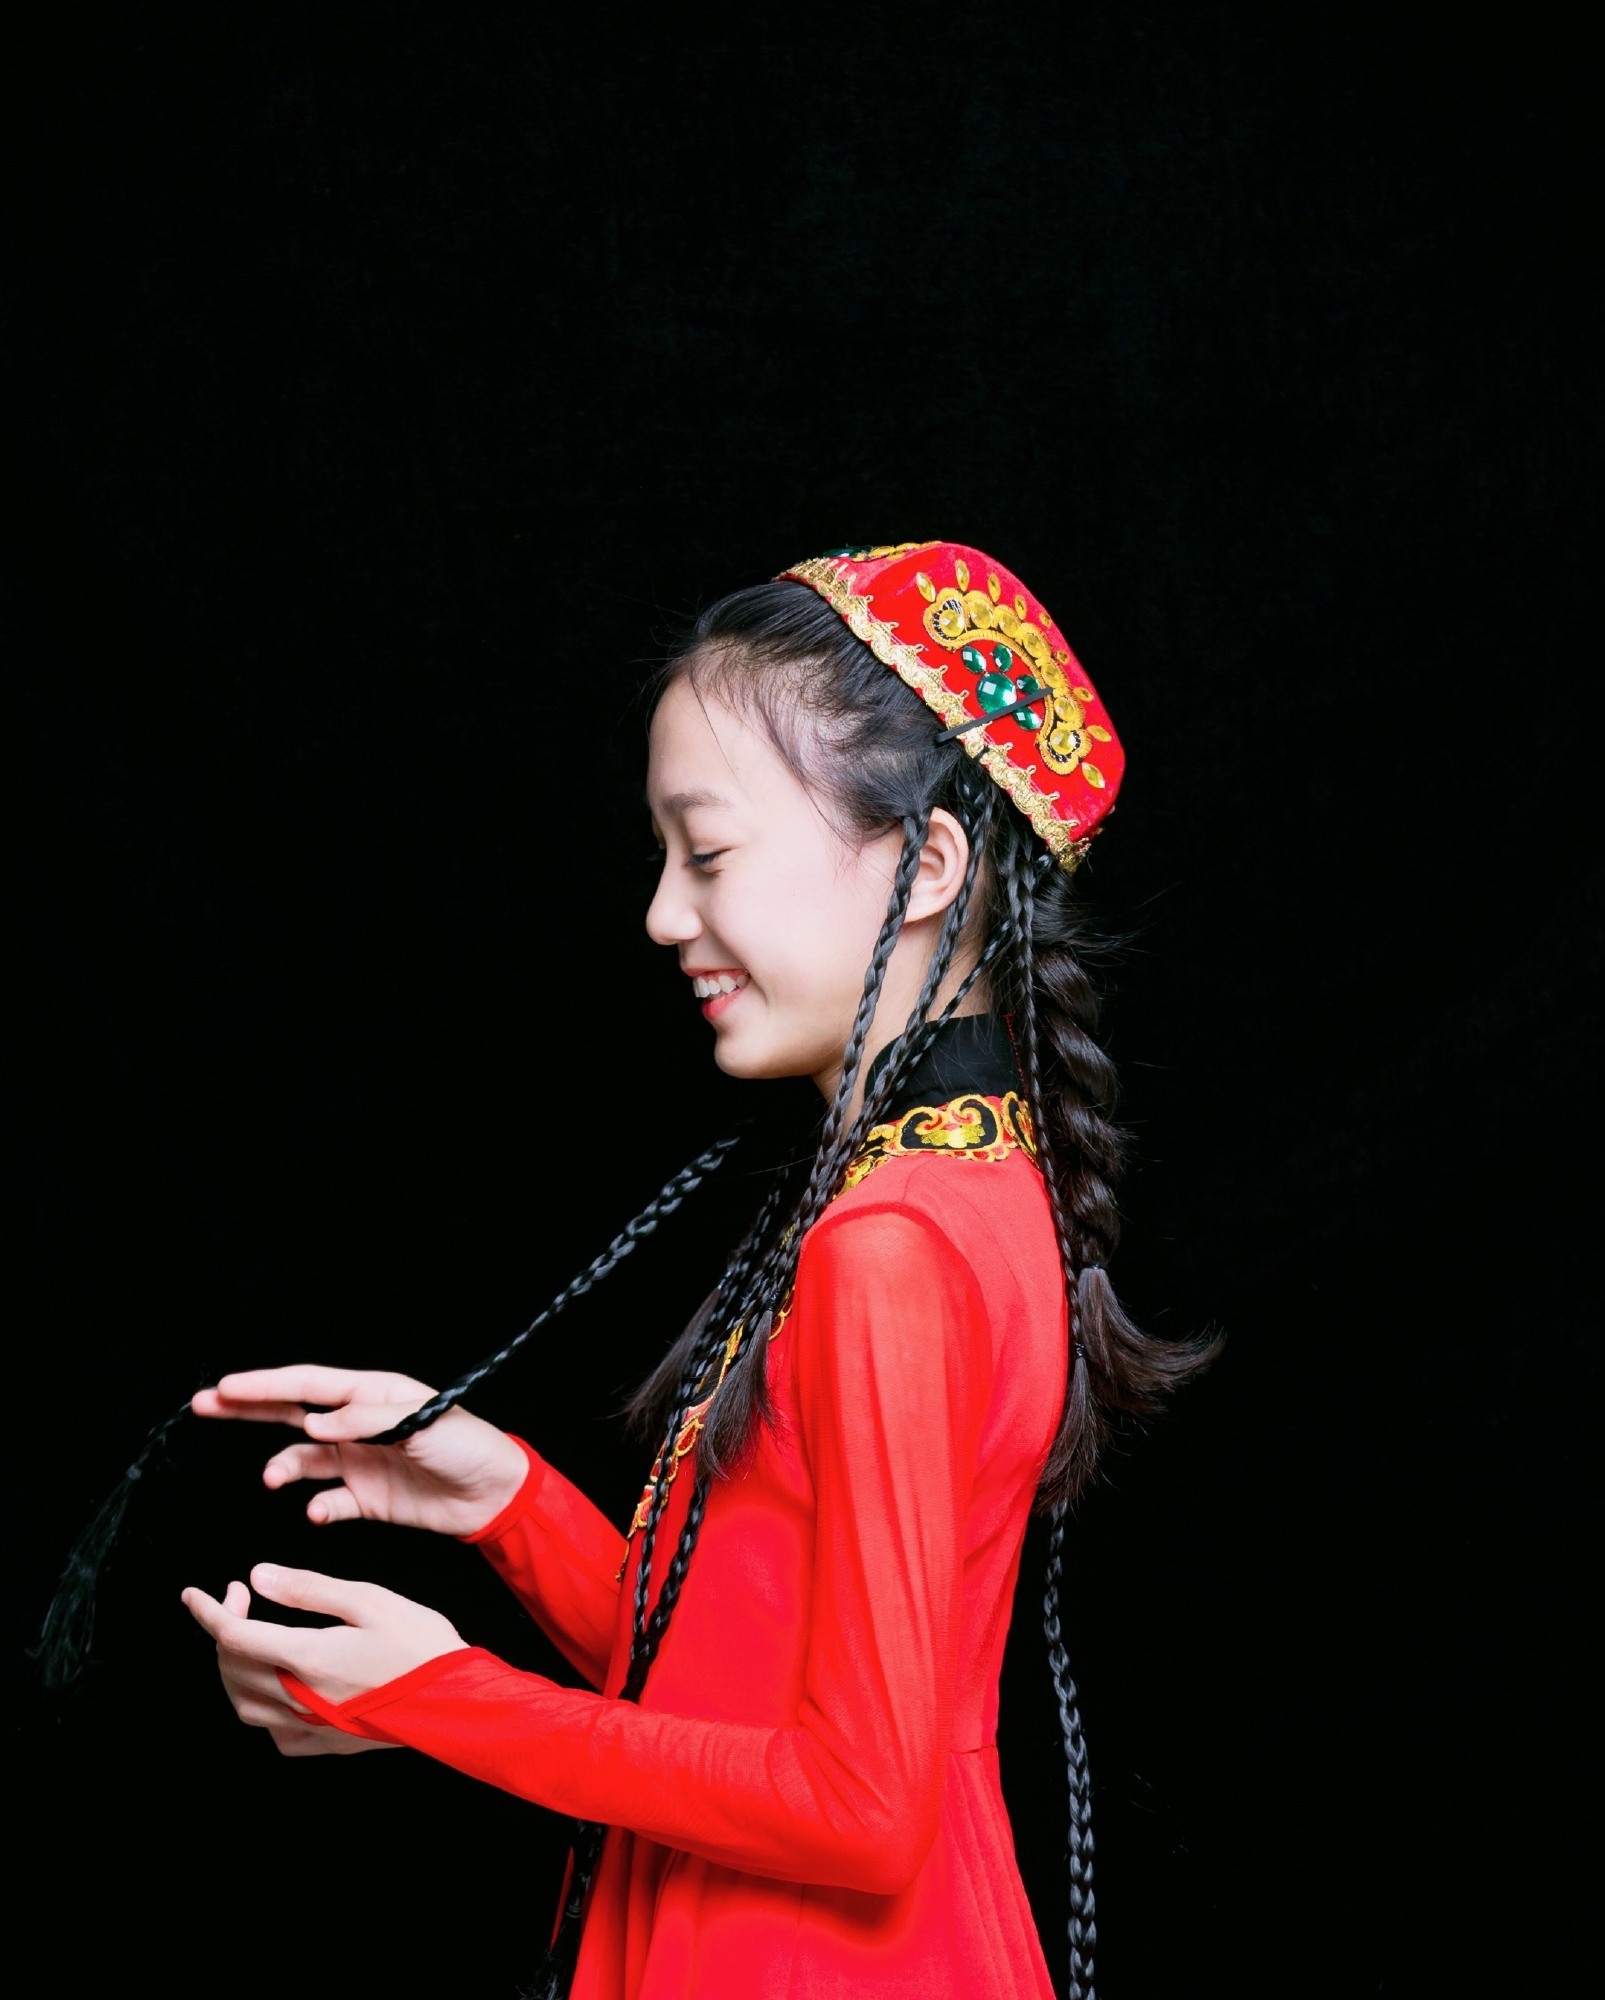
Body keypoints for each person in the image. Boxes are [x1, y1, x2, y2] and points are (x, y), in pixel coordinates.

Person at [181, 543, 1208, 2000]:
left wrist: (438, 1696)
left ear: (927, 866)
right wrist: (508, 1500)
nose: (665, 914)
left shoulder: (891, 1248)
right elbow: (735, 1678)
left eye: (708, 854)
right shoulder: (955, 1191)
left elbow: (858, 1810)